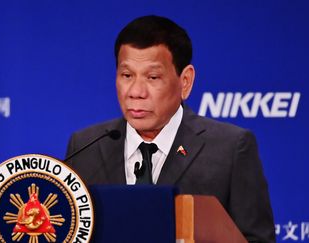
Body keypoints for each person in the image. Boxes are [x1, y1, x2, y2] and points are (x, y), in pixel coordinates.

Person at [66, 15, 275, 242]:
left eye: (153, 77)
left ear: (185, 81)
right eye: (127, 75)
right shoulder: (85, 146)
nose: (136, 91)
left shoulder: (230, 149)